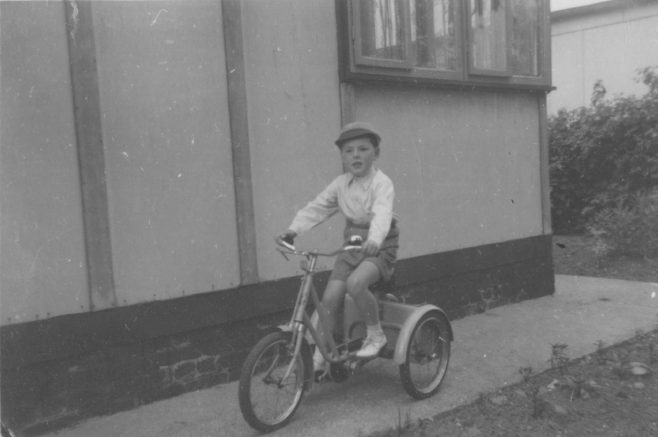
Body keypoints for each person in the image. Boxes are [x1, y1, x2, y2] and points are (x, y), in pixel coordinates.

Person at [277, 121, 399, 373]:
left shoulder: (382, 183)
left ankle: (376, 335)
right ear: (342, 156)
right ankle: (322, 353)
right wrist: (293, 230)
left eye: (363, 149)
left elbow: (382, 214)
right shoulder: (341, 184)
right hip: (352, 246)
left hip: (380, 246)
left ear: (376, 153)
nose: (355, 155)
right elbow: (318, 207)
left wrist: (375, 240)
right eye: (349, 150)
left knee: (355, 284)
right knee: (329, 299)